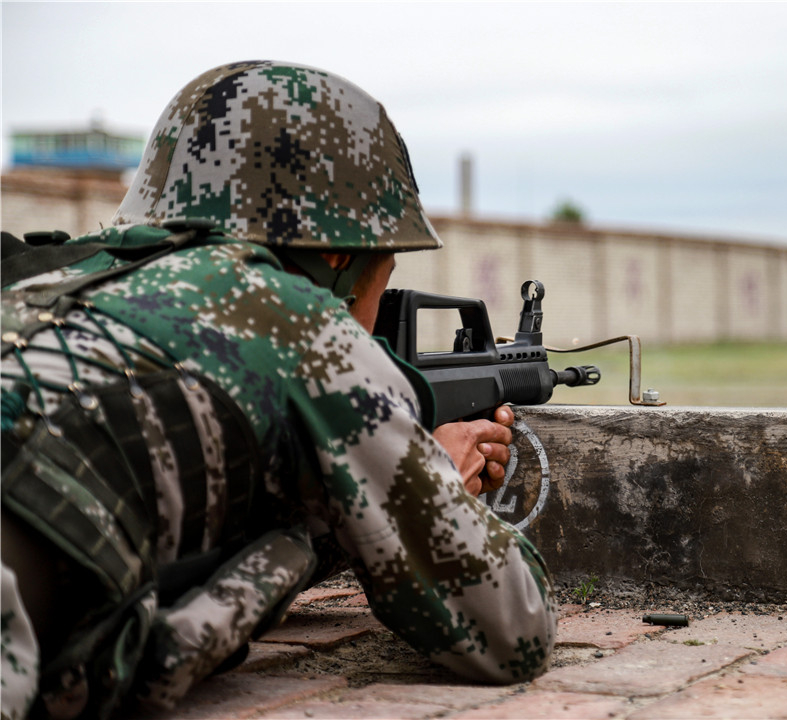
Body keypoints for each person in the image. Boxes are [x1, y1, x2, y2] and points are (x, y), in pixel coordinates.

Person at [0, 60, 557, 720]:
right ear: (341, 260)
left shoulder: (41, 271)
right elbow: (512, 629)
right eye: (387, 270)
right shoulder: (297, 321)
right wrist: (432, 476)